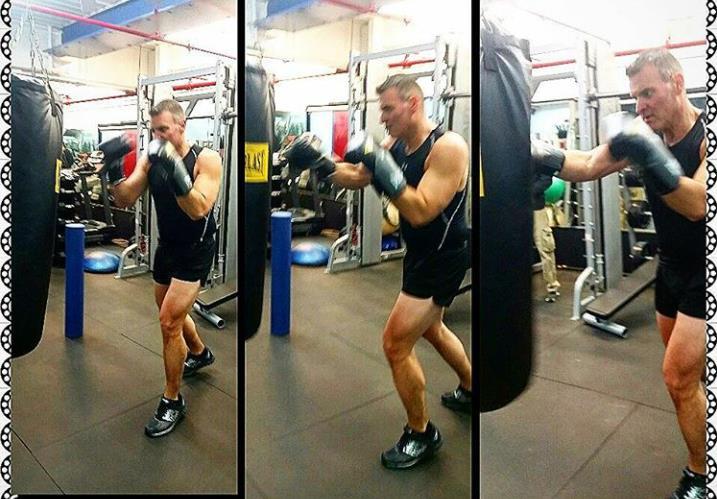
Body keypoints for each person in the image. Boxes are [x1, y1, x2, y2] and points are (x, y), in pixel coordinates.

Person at [532, 49, 706, 499]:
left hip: (706, 270)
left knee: (678, 377)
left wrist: (648, 154)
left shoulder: (707, 137)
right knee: (691, 379)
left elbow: (698, 204)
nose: (641, 106)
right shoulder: (645, 133)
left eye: (648, 93)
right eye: (635, 97)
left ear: (678, 83)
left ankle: (701, 476)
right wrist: (541, 154)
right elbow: (589, 164)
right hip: (671, 267)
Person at [281, 74, 472, 469]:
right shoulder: (395, 144)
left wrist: (383, 166)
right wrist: (321, 164)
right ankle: (472, 388)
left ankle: (421, 433)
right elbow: (357, 177)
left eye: (388, 109)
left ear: (413, 104)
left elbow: (420, 211)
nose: (382, 118)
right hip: (420, 253)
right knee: (432, 329)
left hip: (442, 255)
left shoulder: (447, 147)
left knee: (395, 344)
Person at [95, 99, 223, 438]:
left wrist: (173, 167)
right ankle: (199, 352)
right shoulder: (152, 158)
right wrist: (113, 170)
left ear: (181, 126)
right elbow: (126, 198)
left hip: (196, 248)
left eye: (164, 129)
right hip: (166, 246)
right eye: (154, 131)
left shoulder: (207, 159)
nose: (158, 136)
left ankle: (172, 400)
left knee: (169, 322)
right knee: (170, 314)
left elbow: (198, 208)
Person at [532, 168, 561, 302]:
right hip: (516, 209)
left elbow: (546, 179)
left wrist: (525, 192)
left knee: (545, 248)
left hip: (536, 209)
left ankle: (552, 287)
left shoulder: (537, 157)